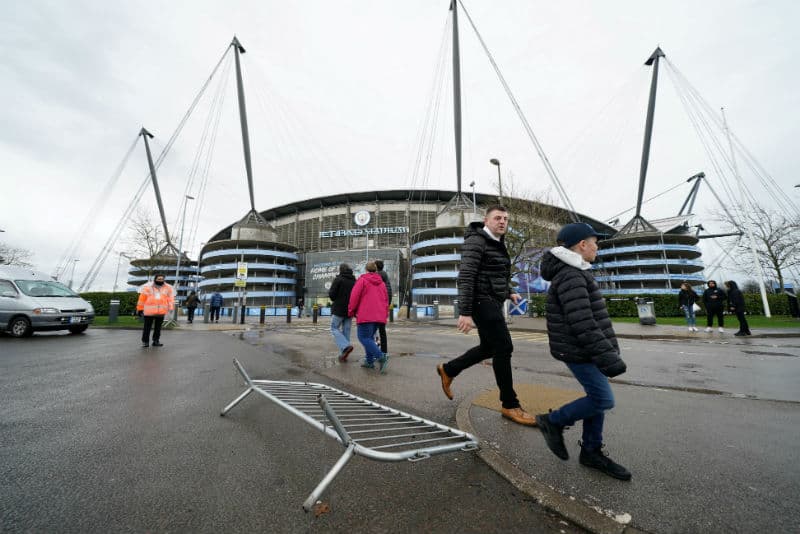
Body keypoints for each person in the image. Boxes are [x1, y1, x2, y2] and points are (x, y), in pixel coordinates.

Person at [535, 222, 631, 480]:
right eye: (595, 242)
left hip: (585, 349)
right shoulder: (571, 276)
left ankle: (591, 451)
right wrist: (607, 356)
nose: (597, 247)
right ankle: (552, 421)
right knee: (602, 400)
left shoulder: (576, 272)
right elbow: (583, 323)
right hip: (579, 350)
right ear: (582, 245)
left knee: (596, 399)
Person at [435, 205, 535, 426]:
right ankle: (510, 405)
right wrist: (465, 312)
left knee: (489, 348)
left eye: (506, 219)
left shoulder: (497, 242)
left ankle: (449, 369)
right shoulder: (477, 240)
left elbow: (495, 272)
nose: (502, 222)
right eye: (498, 218)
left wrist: (509, 291)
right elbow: (467, 275)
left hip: (491, 300)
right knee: (504, 347)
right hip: (481, 301)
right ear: (486, 220)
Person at [348, 261, 389, 373]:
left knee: (363, 338)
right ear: (376, 270)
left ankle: (381, 357)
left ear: (366, 270)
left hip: (365, 314)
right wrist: (385, 314)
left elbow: (354, 297)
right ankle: (369, 362)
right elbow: (386, 300)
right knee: (369, 338)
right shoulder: (382, 283)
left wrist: (351, 311)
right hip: (378, 316)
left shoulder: (362, 280)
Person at [137, 273, 175, 348]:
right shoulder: (147, 287)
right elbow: (142, 298)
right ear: (155, 279)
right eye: (159, 279)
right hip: (149, 311)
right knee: (147, 328)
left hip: (161, 311)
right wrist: (140, 309)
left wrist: (170, 308)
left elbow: (170, 298)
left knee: (158, 328)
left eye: (162, 279)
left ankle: (156, 341)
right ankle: (145, 342)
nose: (160, 280)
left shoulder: (168, 288)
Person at [329, 263, 356, 362]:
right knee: (346, 332)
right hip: (350, 310)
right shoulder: (354, 280)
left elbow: (332, 295)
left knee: (333, 328)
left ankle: (346, 346)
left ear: (340, 270)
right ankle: (344, 354)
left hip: (339, 309)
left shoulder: (338, 279)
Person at [374, 259, 393, 356]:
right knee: (381, 328)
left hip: (381, 303)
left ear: (376, 267)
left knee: (376, 328)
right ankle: (384, 350)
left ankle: (377, 349)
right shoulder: (383, 274)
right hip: (385, 303)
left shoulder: (379, 275)